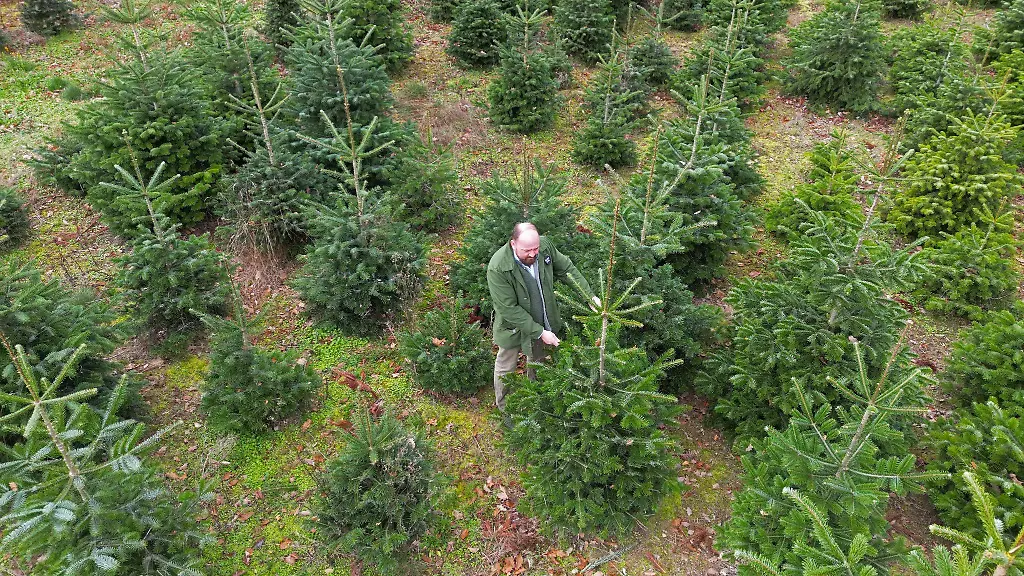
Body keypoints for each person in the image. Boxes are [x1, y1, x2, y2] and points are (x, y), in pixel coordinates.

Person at [486, 222, 599, 413]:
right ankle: (505, 409)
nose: (532, 254)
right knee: (506, 366)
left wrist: (589, 295)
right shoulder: (498, 267)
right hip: (512, 326)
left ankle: (538, 402)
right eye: (526, 250)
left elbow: (567, 269)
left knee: (539, 362)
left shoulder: (545, 247)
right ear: (513, 244)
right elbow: (509, 309)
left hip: (543, 320)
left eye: (535, 248)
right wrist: (539, 332)